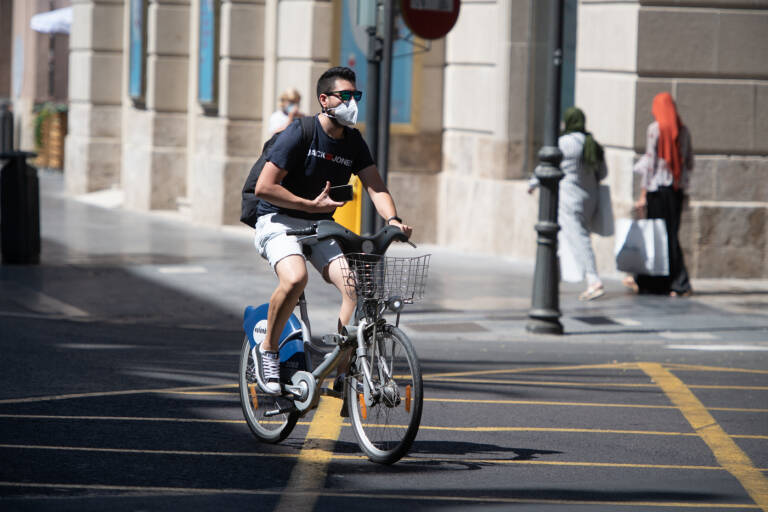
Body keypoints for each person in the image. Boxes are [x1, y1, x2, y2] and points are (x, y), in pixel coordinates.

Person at [252, 66, 412, 399]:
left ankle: (342, 372)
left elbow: (375, 186)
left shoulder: (353, 142)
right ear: (324, 100)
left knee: (354, 288)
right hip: (278, 220)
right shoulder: (300, 132)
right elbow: (264, 187)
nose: (352, 102)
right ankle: (267, 350)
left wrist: (393, 219)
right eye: (345, 96)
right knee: (295, 279)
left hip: (320, 226)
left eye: (356, 96)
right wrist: (308, 204)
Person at [529, 107, 608, 301]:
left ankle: (593, 280)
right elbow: (604, 173)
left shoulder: (564, 143)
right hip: (590, 197)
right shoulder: (592, 144)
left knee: (578, 238)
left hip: (569, 198)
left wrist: (532, 182)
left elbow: (548, 163)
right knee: (563, 234)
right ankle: (553, 275)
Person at [627, 92, 694, 297]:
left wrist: (642, 195)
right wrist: (683, 186)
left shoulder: (654, 130)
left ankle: (652, 282)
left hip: (657, 191)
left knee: (655, 235)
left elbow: (649, 164)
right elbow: (689, 162)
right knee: (671, 235)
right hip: (675, 191)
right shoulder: (684, 131)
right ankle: (679, 283)